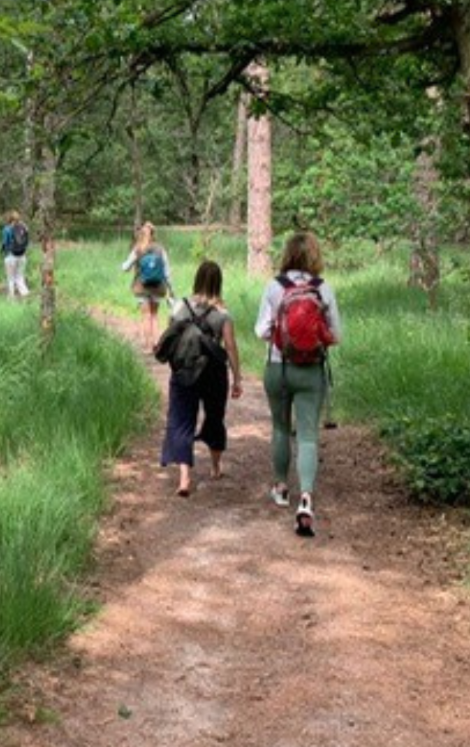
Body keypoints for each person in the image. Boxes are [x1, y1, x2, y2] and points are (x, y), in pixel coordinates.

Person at [254, 230, 342, 538]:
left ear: (287, 254)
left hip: (278, 367)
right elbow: (336, 334)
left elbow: (260, 330)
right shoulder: (323, 288)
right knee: (307, 435)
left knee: (280, 427)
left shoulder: (275, 287)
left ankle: (280, 487)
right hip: (311, 371)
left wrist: (283, 335)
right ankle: (306, 498)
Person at [159, 260, 243, 496]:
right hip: (213, 372)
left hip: (184, 371)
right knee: (215, 417)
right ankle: (216, 467)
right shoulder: (222, 314)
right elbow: (230, 346)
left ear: (197, 279)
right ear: (219, 283)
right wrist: (237, 378)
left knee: (182, 419)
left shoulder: (179, 306)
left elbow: (170, 336)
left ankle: (184, 478)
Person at [121, 221, 173, 349]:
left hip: (142, 287)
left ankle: (147, 345)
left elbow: (126, 267)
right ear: (154, 234)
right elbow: (167, 271)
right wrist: (170, 288)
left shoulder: (138, 249)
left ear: (142, 233)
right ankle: (156, 343)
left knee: (146, 316)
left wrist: (122, 266)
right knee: (154, 316)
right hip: (158, 287)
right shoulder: (160, 249)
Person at [0, 210, 30, 299]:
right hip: (22, 256)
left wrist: (3, 252)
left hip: (11, 256)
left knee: (10, 278)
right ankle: (25, 295)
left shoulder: (7, 229)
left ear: (9, 219)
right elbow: (27, 242)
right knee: (20, 277)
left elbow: (5, 243)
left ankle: (11, 297)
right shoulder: (24, 227)